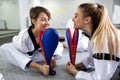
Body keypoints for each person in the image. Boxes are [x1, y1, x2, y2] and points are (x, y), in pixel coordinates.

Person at [0, 6, 63, 75]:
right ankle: (40, 67)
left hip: (35, 53)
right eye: (43, 19)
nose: (47, 23)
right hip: (23, 52)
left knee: (58, 43)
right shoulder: (24, 36)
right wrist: (41, 67)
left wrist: (51, 57)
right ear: (34, 21)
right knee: (4, 48)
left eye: (48, 20)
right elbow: (25, 55)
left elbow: (48, 46)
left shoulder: (46, 33)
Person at [66, 3, 120, 80]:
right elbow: (92, 59)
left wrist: (74, 72)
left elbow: (100, 78)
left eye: (76, 16)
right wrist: (76, 65)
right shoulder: (96, 35)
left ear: (87, 20)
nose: (72, 19)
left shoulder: (104, 40)